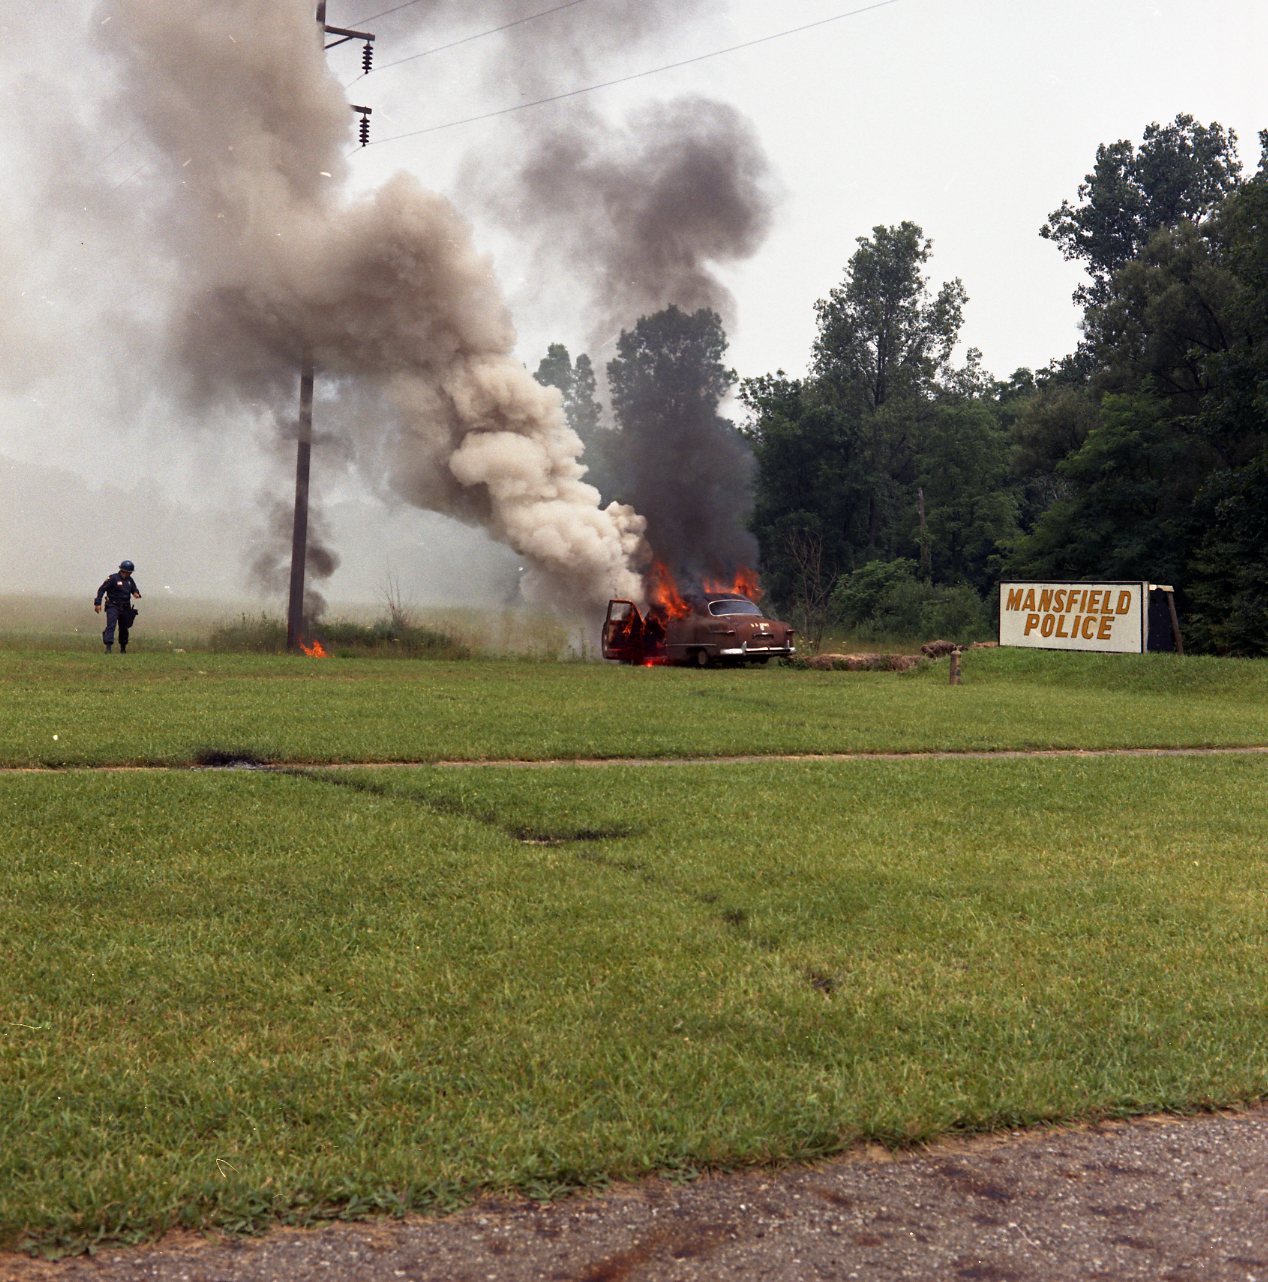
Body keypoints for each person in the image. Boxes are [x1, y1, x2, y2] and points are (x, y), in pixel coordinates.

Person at [94, 560, 142, 653]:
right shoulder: (113, 578)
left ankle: (123, 648)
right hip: (113, 606)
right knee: (111, 626)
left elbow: (134, 589)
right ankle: (108, 648)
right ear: (124, 571)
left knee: (124, 628)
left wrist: (136, 593)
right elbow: (101, 590)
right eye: (129, 572)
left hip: (125, 606)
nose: (130, 573)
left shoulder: (130, 580)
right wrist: (97, 603)